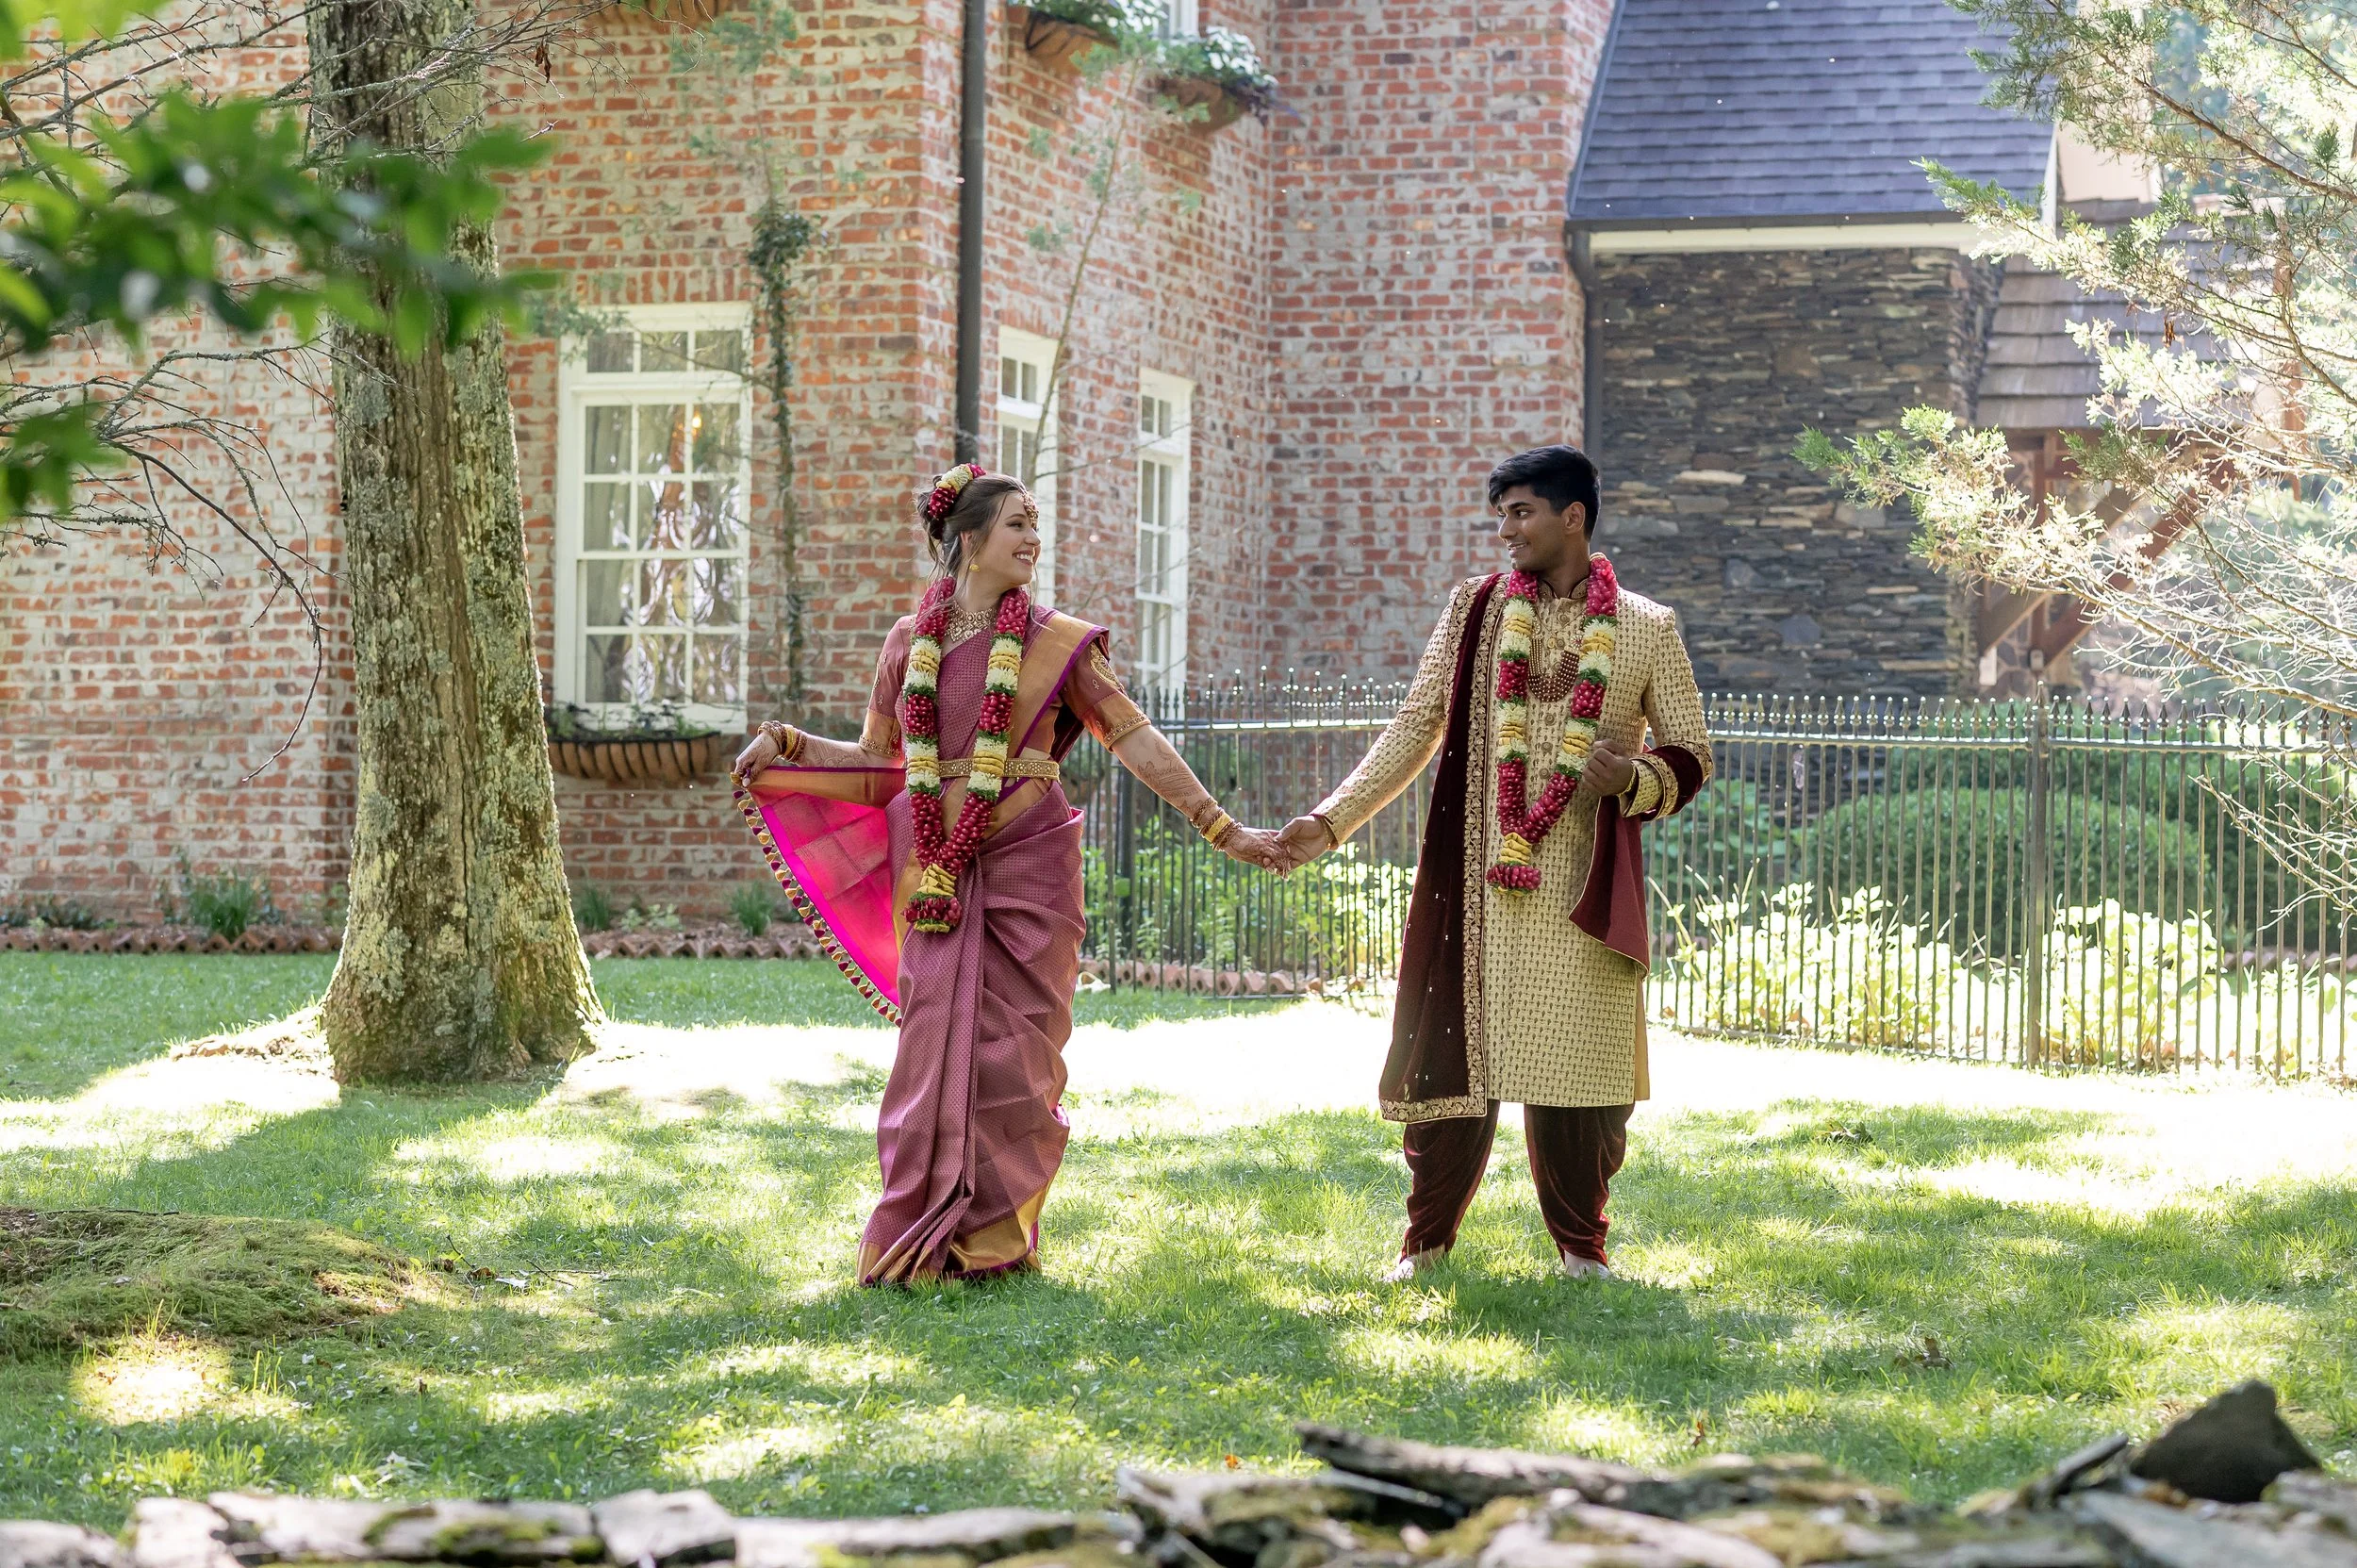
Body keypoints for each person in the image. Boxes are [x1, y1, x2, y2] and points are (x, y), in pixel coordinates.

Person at [733, 464, 1283, 1285]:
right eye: (1018, 524)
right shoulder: (904, 644)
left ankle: (993, 1241)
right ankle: (914, 1229)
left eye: (1037, 524)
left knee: (1019, 1057)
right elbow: (878, 763)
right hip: (934, 871)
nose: (1034, 539)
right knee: (929, 1049)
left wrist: (1217, 822)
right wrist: (790, 746)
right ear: (968, 541)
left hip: (1029, 863)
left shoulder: (1059, 643)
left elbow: (1133, 738)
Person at [1272, 445, 1710, 1282]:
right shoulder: (1471, 611)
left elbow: (1693, 752)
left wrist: (1637, 778)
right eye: (1500, 513)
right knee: (1452, 1065)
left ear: (1572, 516)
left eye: (1521, 512)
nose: (1504, 530)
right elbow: (1413, 729)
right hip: (1477, 886)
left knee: (1580, 1074)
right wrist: (1329, 824)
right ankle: (1426, 1243)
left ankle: (1584, 1252)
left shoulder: (1648, 628)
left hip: (1578, 889)